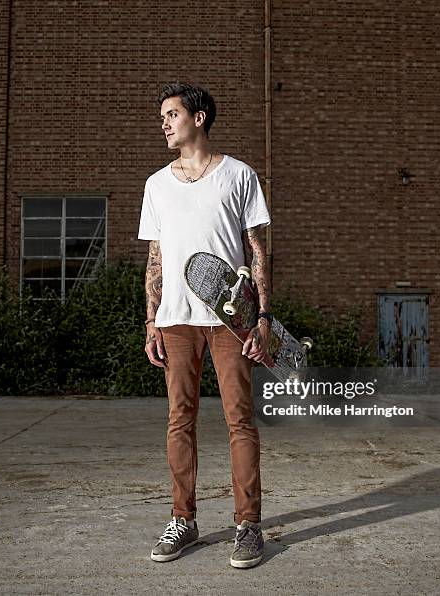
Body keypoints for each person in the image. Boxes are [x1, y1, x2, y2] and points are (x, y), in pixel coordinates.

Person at [138, 82, 273, 569]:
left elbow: (258, 252)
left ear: (199, 118)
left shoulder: (239, 175)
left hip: (230, 323)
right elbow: (155, 258)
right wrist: (151, 318)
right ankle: (184, 520)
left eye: (172, 114)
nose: (164, 123)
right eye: (162, 117)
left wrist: (262, 318)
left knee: (239, 419)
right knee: (180, 420)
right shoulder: (156, 185)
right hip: (175, 320)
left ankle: (248, 524)